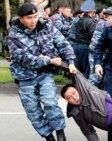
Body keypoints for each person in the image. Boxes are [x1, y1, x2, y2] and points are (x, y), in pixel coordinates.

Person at [6, 3, 77, 141]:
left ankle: (60, 134)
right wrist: (49, 61)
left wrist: (71, 62)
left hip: (44, 74)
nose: (33, 21)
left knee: (50, 102)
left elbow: (63, 43)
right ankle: (48, 137)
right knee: (33, 111)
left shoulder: (47, 26)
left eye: (35, 16)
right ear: (20, 18)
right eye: (29, 18)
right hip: (25, 77)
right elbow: (24, 59)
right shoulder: (13, 35)